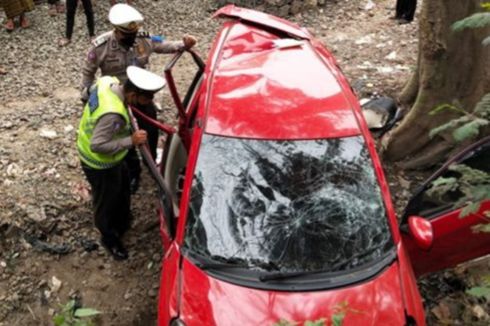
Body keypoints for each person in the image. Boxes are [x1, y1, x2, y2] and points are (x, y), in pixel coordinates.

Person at [81, 3, 196, 193]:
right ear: (116, 31)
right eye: (127, 36)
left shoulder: (142, 39)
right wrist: (88, 99)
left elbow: (162, 45)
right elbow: (88, 74)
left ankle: (150, 163)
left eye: (134, 34)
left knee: (150, 127)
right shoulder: (101, 47)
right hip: (117, 97)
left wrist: (184, 44)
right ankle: (133, 171)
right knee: (122, 136)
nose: (132, 39)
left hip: (140, 95)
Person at [77, 66, 166, 260]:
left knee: (122, 187)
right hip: (99, 163)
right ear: (133, 95)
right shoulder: (113, 114)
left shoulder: (108, 81)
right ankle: (109, 237)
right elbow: (97, 145)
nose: (149, 103)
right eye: (146, 99)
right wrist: (130, 141)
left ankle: (122, 221)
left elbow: (88, 92)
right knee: (105, 201)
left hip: (115, 158)